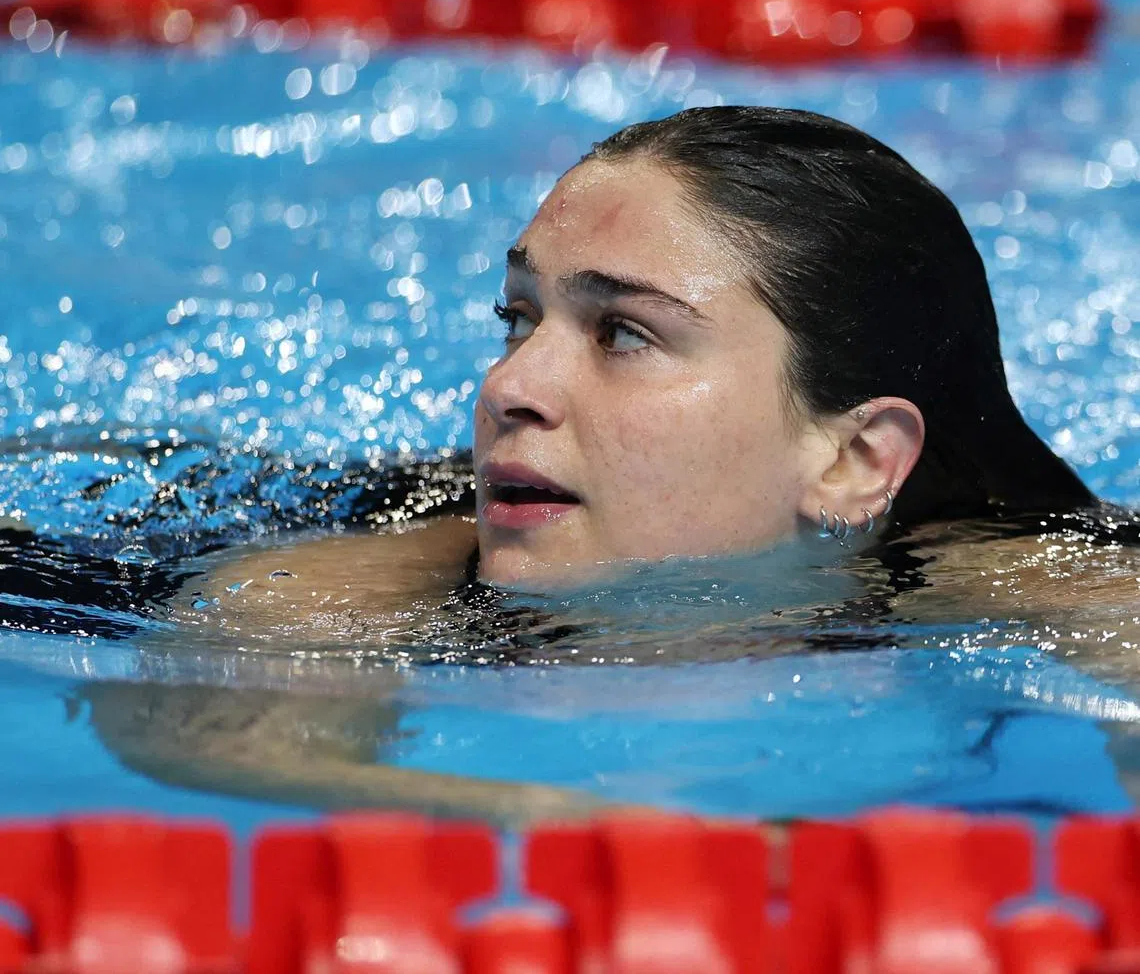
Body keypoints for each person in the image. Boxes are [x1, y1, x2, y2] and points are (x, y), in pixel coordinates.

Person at [11, 105, 1140, 822]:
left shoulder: (1004, 581)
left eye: (625, 334)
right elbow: (204, 727)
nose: (510, 388)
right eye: (519, 319)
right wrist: (561, 821)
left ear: (851, 460)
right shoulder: (368, 579)